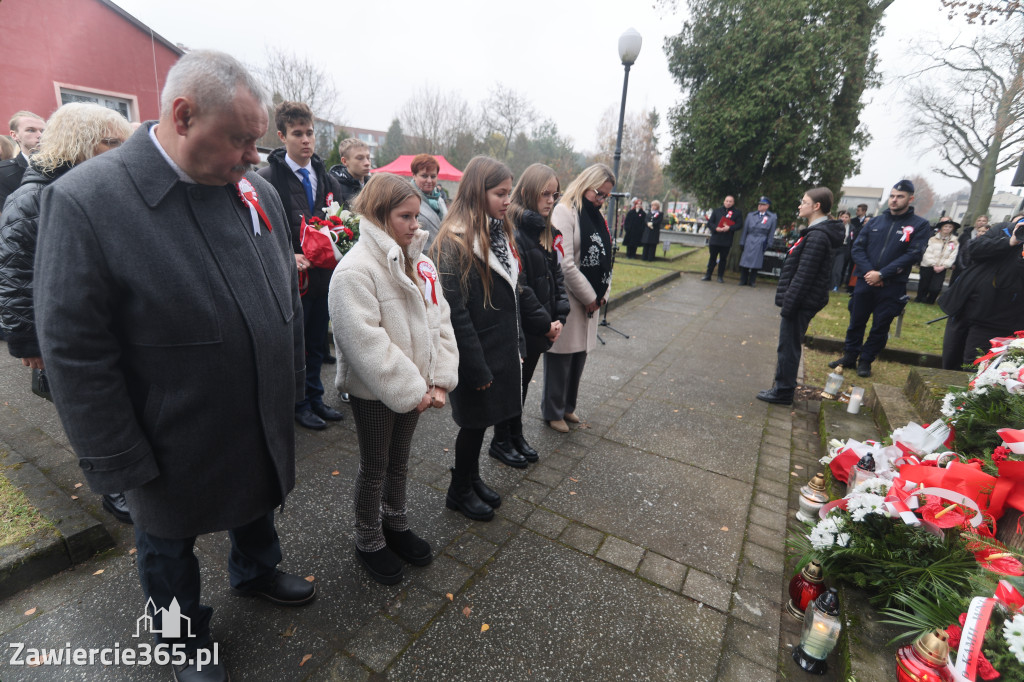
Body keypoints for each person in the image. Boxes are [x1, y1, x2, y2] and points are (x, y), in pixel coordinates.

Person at [34, 51, 314, 682]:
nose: (252, 155)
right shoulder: (86, 202)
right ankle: (177, 637)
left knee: (256, 500)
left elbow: (280, 294)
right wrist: (115, 456)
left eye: (256, 140)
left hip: (250, 410)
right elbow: (75, 348)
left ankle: (255, 568)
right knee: (165, 546)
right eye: (241, 139)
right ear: (183, 116)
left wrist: (287, 381)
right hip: (167, 429)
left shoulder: (254, 190)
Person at [0, 102, 133, 523]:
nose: (120, 151)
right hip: (63, 334)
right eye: (111, 141)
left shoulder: (102, 186)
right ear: (80, 143)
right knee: (87, 411)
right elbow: (13, 272)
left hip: (108, 326)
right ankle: (115, 489)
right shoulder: (32, 197)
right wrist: (26, 340)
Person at [329, 173, 459, 584]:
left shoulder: (420, 263)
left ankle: (395, 522)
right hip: (376, 392)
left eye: (417, 216)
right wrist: (414, 388)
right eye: (405, 216)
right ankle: (367, 537)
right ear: (379, 214)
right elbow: (365, 342)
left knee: (399, 459)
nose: (415, 225)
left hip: (417, 388)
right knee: (375, 464)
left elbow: (441, 319)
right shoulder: (354, 272)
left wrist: (438, 379)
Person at [434, 156, 535, 520]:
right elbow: (455, 311)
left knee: (483, 422)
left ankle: (471, 478)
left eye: (509, 193)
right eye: (500, 193)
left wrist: (518, 344)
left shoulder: (498, 230)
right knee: (473, 424)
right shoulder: (455, 240)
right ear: (478, 192)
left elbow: (513, 291)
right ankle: (458, 490)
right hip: (474, 352)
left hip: (499, 348)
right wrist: (475, 367)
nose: (508, 201)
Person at [257, 101, 346, 431]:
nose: (306, 140)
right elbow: (261, 232)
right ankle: (297, 403)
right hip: (290, 280)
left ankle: (315, 396)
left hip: (323, 276)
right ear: (282, 136)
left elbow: (337, 223)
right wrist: (286, 255)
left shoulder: (326, 178)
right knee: (297, 342)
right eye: (297, 134)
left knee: (318, 341)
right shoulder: (267, 180)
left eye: (309, 133)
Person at [498, 163, 568, 462]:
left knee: (523, 385)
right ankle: (502, 440)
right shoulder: (514, 230)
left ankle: (515, 434)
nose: (551, 200)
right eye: (545, 194)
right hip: (525, 327)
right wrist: (544, 322)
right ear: (527, 192)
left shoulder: (545, 230)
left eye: (555, 194)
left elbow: (557, 276)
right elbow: (520, 286)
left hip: (542, 325)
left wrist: (560, 316)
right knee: (513, 386)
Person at [829, 180, 931, 377]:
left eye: (899, 197)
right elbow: (858, 248)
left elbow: (913, 254)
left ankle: (865, 361)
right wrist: (870, 273)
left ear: (910, 199)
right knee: (856, 321)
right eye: (892, 196)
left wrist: (883, 274)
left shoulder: (920, 225)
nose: (894, 200)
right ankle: (850, 356)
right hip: (865, 281)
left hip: (892, 285)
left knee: (880, 325)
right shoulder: (875, 222)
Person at [543, 163, 616, 432]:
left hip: (591, 301)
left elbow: (607, 259)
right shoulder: (564, 211)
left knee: (579, 358)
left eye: (606, 196)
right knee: (561, 358)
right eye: (599, 193)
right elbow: (565, 262)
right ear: (586, 183)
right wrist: (589, 296)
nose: (601, 200)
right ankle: (553, 411)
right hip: (571, 298)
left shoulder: (598, 217)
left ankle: (568, 407)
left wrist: (602, 295)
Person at [757, 189, 845, 404]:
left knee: (788, 346)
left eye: (804, 202)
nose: (799, 205)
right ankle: (782, 388)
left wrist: (789, 305)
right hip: (800, 300)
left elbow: (804, 276)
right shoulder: (814, 232)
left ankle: (784, 391)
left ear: (816, 206)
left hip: (800, 301)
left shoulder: (817, 236)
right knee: (788, 345)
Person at [940, 216, 1024, 369]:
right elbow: (974, 250)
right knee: (950, 358)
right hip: (964, 305)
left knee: (974, 364)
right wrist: (1009, 242)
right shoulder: (1004, 229)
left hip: (995, 317)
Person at [0, 111, 45, 210]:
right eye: (31, 130)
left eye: (43, 131)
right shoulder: (3, 172)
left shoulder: (64, 166)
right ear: (14, 135)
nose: (40, 135)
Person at [915, 217, 959, 304]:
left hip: (942, 267)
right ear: (941, 227)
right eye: (945, 226)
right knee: (924, 284)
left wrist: (944, 266)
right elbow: (928, 252)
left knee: (936, 287)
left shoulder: (955, 241)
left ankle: (930, 301)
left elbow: (953, 255)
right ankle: (920, 299)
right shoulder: (932, 239)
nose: (947, 228)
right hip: (928, 265)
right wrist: (933, 264)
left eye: (950, 227)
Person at [409, 153, 447, 251]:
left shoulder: (440, 200)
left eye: (433, 176)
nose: (429, 180)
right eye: (424, 176)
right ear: (414, 175)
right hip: (419, 259)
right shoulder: (406, 199)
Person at [738, 196, 778, 286]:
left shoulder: (772, 217)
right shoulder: (750, 215)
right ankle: (743, 280)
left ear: (767, 206)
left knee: (756, 261)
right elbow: (745, 230)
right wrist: (742, 241)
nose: (760, 206)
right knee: (745, 260)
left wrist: (769, 243)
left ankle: (752, 281)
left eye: (762, 204)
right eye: (759, 204)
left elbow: (771, 232)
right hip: (750, 238)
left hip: (761, 240)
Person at [702, 195, 741, 282]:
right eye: (727, 201)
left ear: (733, 203)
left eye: (730, 201)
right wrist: (716, 228)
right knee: (712, 258)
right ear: (724, 201)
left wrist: (730, 228)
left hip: (726, 240)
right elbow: (710, 223)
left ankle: (720, 276)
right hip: (715, 238)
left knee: (723, 259)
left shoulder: (737, 213)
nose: (728, 203)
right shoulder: (717, 211)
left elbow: (739, 225)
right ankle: (708, 275)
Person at [330, 137, 371, 206]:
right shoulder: (334, 187)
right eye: (360, 158)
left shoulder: (374, 185)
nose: (367, 163)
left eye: (368, 158)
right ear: (345, 161)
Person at [950, 214, 989, 285]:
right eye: (979, 220)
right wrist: (955, 262)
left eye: (984, 221)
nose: (981, 222)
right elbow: (959, 249)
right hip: (960, 264)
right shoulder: (966, 234)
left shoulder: (988, 238)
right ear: (976, 222)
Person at [829, 210, 852, 291]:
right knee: (829, 268)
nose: (844, 219)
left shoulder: (851, 228)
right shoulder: (834, 226)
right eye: (842, 217)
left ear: (849, 218)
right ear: (838, 217)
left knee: (837, 269)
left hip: (843, 249)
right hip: (833, 248)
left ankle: (835, 286)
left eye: (846, 217)